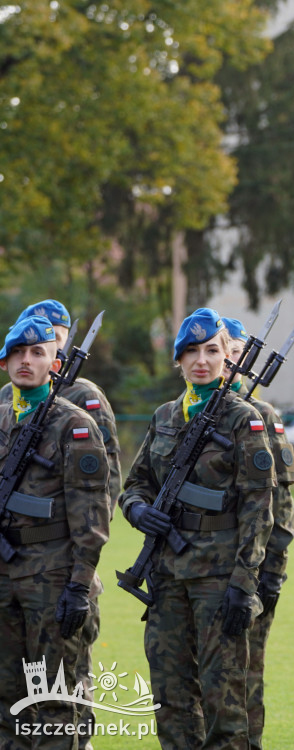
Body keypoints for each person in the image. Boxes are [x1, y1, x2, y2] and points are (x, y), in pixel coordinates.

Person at [119, 307, 276, 749]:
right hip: (166, 578)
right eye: (191, 352)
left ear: (228, 357)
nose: (201, 360)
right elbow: (134, 485)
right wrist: (137, 511)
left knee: (223, 701)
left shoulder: (244, 419)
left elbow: (258, 509)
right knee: (170, 698)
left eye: (212, 350)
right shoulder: (166, 416)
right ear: (179, 361)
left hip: (219, 580)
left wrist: (243, 585)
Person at [3, 298, 122, 742]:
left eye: (42, 348)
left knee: (57, 696)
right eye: (19, 351)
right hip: (8, 569)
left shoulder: (79, 411)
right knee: (9, 694)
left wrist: (79, 579)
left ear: (58, 354)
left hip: (55, 568)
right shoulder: (3, 409)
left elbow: (98, 495)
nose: (28, 359)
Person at [221, 317, 294, 750]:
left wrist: (270, 575)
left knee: (244, 674)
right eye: (221, 351)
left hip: (248, 573)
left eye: (233, 352)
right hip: (198, 565)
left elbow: (282, 507)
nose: (227, 361)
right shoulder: (193, 412)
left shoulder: (261, 415)